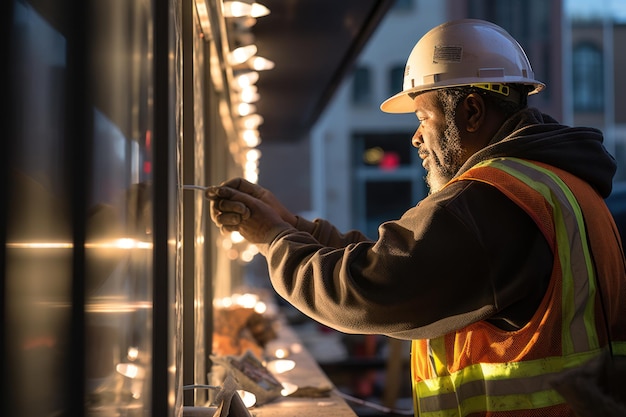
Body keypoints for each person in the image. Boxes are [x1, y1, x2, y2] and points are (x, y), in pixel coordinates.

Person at [207, 19, 626, 416]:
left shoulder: (493, 199)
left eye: (424, 117)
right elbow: (399, 260)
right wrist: (293, 226)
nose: (415, 137)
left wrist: (270, 237)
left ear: (472, 112)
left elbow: (370, 289)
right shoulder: (558, 185)